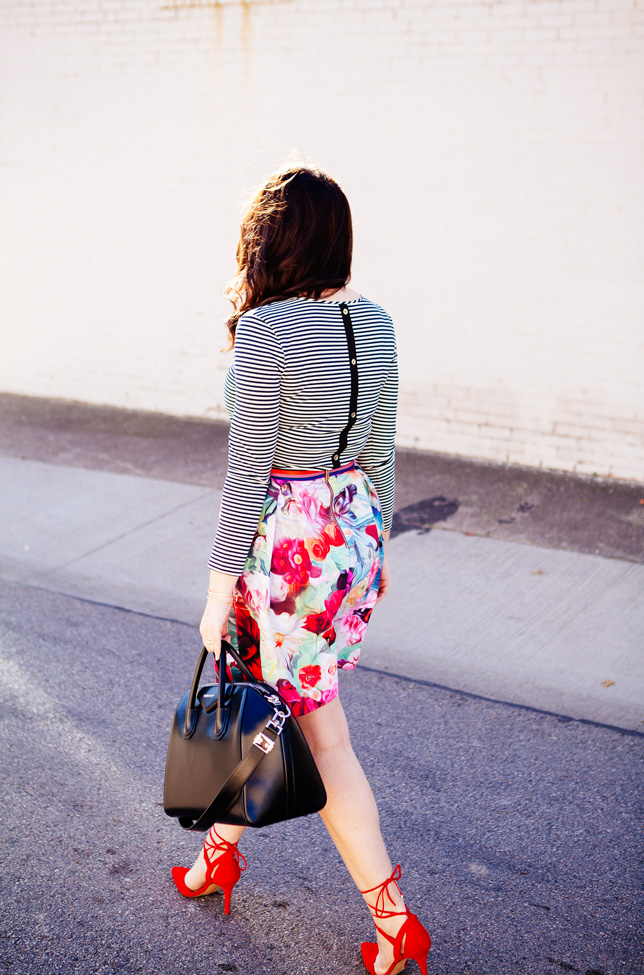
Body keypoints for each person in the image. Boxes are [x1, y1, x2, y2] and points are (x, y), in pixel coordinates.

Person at [170, 166, 431, 975]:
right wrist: (377, 549)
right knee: (261, 704)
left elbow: (247, 471)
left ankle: (394, 922)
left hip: (285, 556)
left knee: (323, 736)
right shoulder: (378, 323)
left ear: (270, 242)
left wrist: (216, 594)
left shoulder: (267, 333)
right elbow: (381, 448)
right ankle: (219, 852)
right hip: (348, 537)